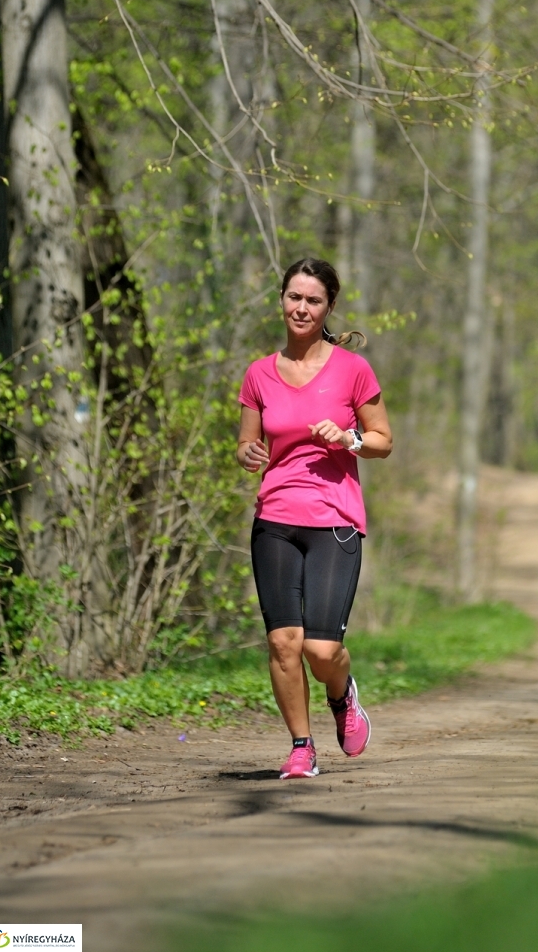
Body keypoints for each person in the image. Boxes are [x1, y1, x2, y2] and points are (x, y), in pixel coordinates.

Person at [237, 257, 393, 779]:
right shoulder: (258, 373)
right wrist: (247, 454)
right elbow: (246, 442)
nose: (301, 308)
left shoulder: (352, 369)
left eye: (313, 300)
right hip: (275, 519)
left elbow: (383, 441)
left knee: (321, 650)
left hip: (334, 520)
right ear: (281, 300)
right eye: (294, 297)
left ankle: (342, 694)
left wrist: (349, 438)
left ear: (329, 307)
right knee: (283, 642)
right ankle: (301, 746)